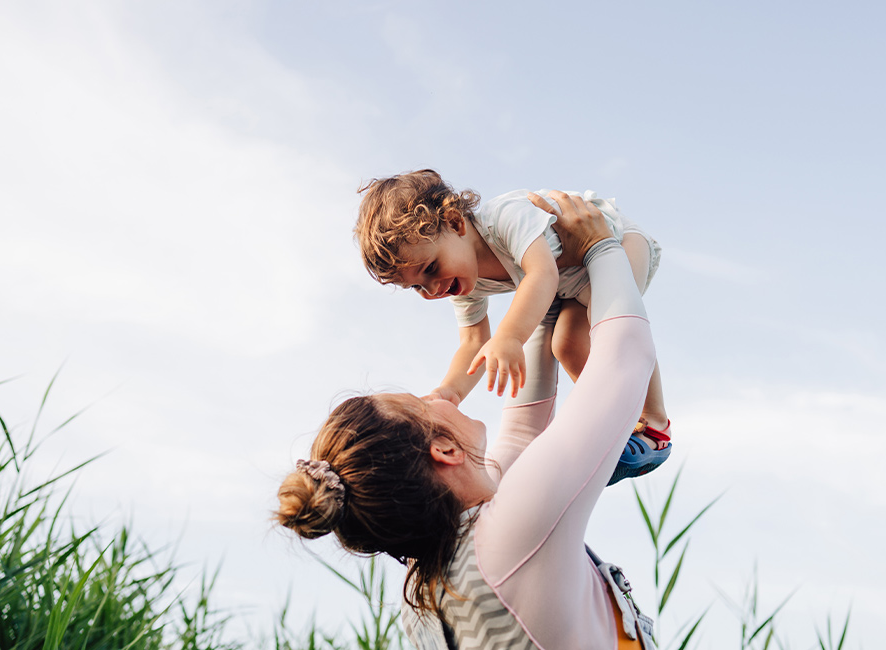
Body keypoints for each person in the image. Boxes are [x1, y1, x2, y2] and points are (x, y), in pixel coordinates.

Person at [277, 193, 659, 649]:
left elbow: (522, 432)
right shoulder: (511, 534)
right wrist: (600, 248)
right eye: (422, 403)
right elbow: (623, 357)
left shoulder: (430, 589)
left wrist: (542, 301)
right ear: (444, 450)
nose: (441, 397)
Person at [355, 170, 670, 484]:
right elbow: (473, 342)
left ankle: (655, 423)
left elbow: (541, 273)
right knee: (567, 344)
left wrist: (510, 337)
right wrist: (449, 391)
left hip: (617, 242)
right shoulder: (462, 282)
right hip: (578, 282)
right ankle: (621, 425)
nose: (433, 289)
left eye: (431, 268)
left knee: (613, 324)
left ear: (455, 222)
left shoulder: (505, 218)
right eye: (417, 286)